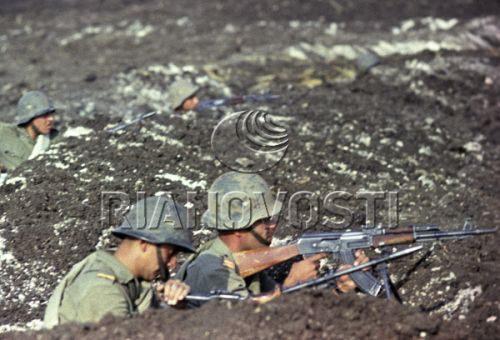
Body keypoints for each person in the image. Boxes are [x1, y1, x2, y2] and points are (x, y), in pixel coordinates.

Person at [177, 172, 367, 302]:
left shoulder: (247, 262)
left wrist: (339, 289)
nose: (273, 225)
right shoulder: (212, 269)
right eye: (265, 220)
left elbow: (283, 307)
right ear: (238, 228)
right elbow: (247, 323)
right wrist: (291, 283)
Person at [43, 196, 195, 328]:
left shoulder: (129, 284)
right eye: (170, 254)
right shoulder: (103, 292)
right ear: (145, 244)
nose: (173, 263)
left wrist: (175, 307)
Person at [0, 91, 58, 171]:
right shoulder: (6, 133)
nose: (51, 119)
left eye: (50, 114)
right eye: (44, 115)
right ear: (30, 118)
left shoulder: (55, 139)